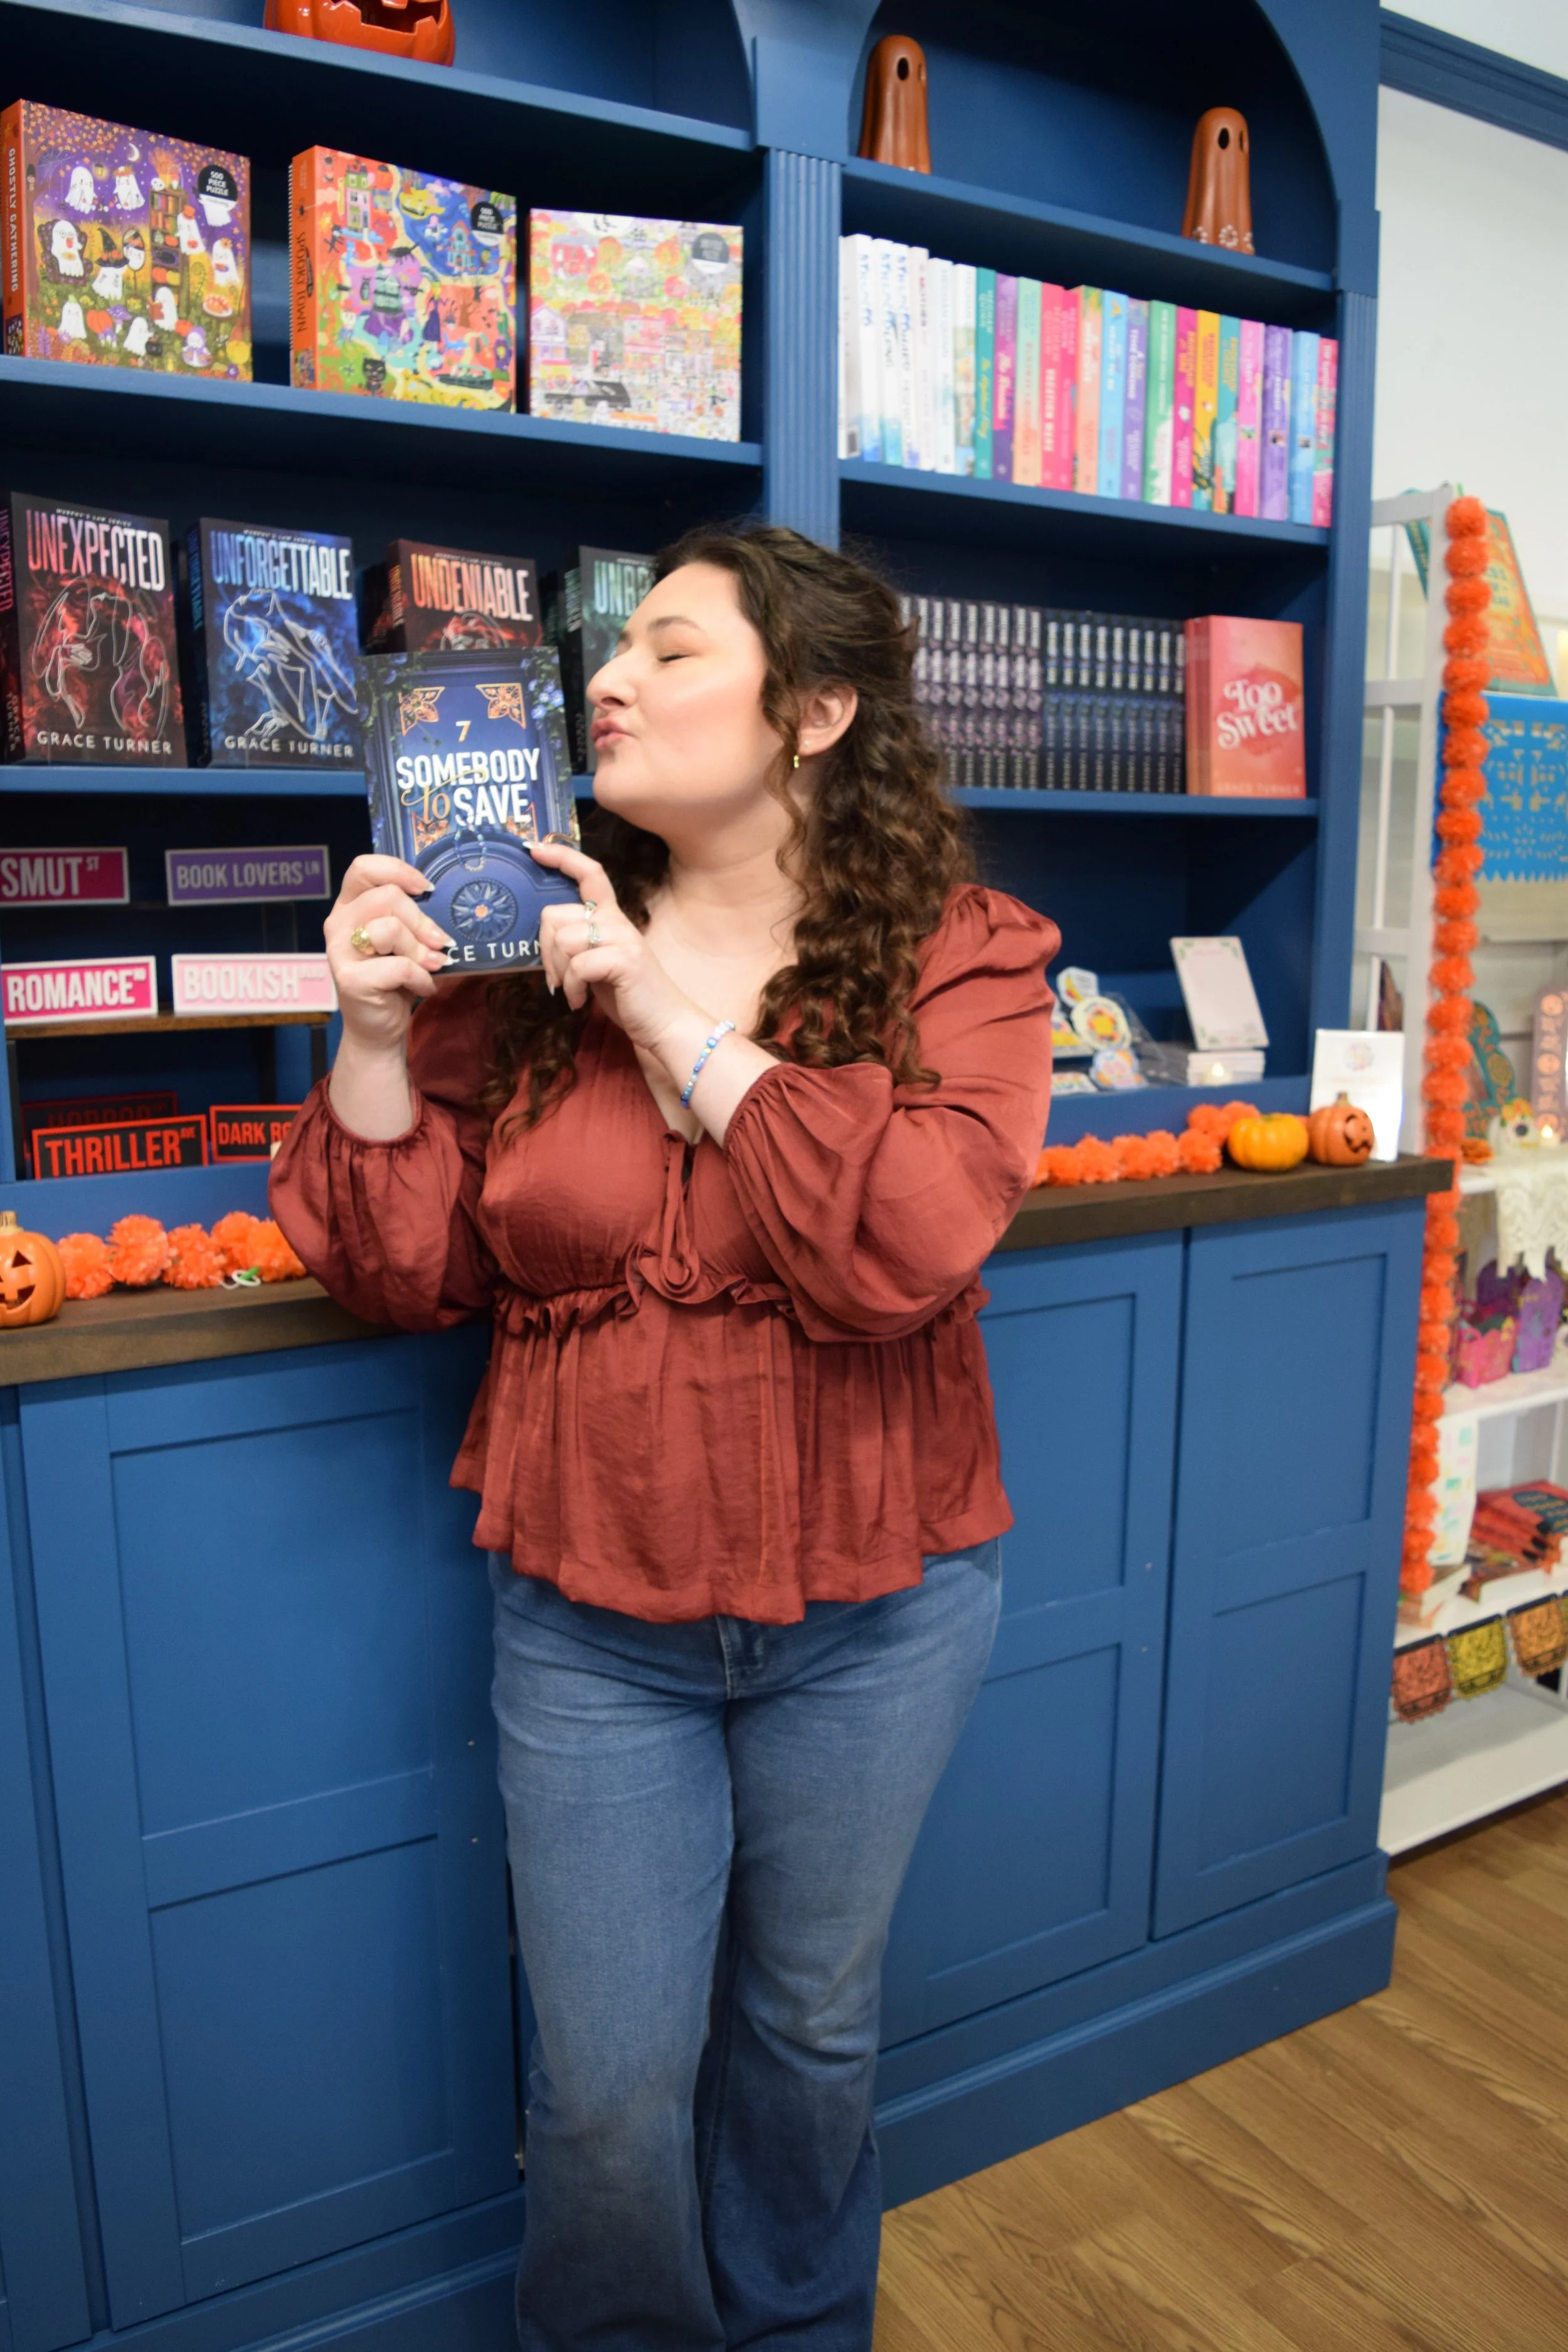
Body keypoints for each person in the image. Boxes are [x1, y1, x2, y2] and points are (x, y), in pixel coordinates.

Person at [271, 524, 1057, 2352]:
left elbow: (909, 1238)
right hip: (589, 1617)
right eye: (606, 655)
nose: (604, 678)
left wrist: (654, 1005)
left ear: (817, 710)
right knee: (607, 2089)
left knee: (806, 2036)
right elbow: (404, 1273)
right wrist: (375, 1037)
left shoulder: (965, 956)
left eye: (671, 650)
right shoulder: (503, 944)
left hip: (880, 1603)